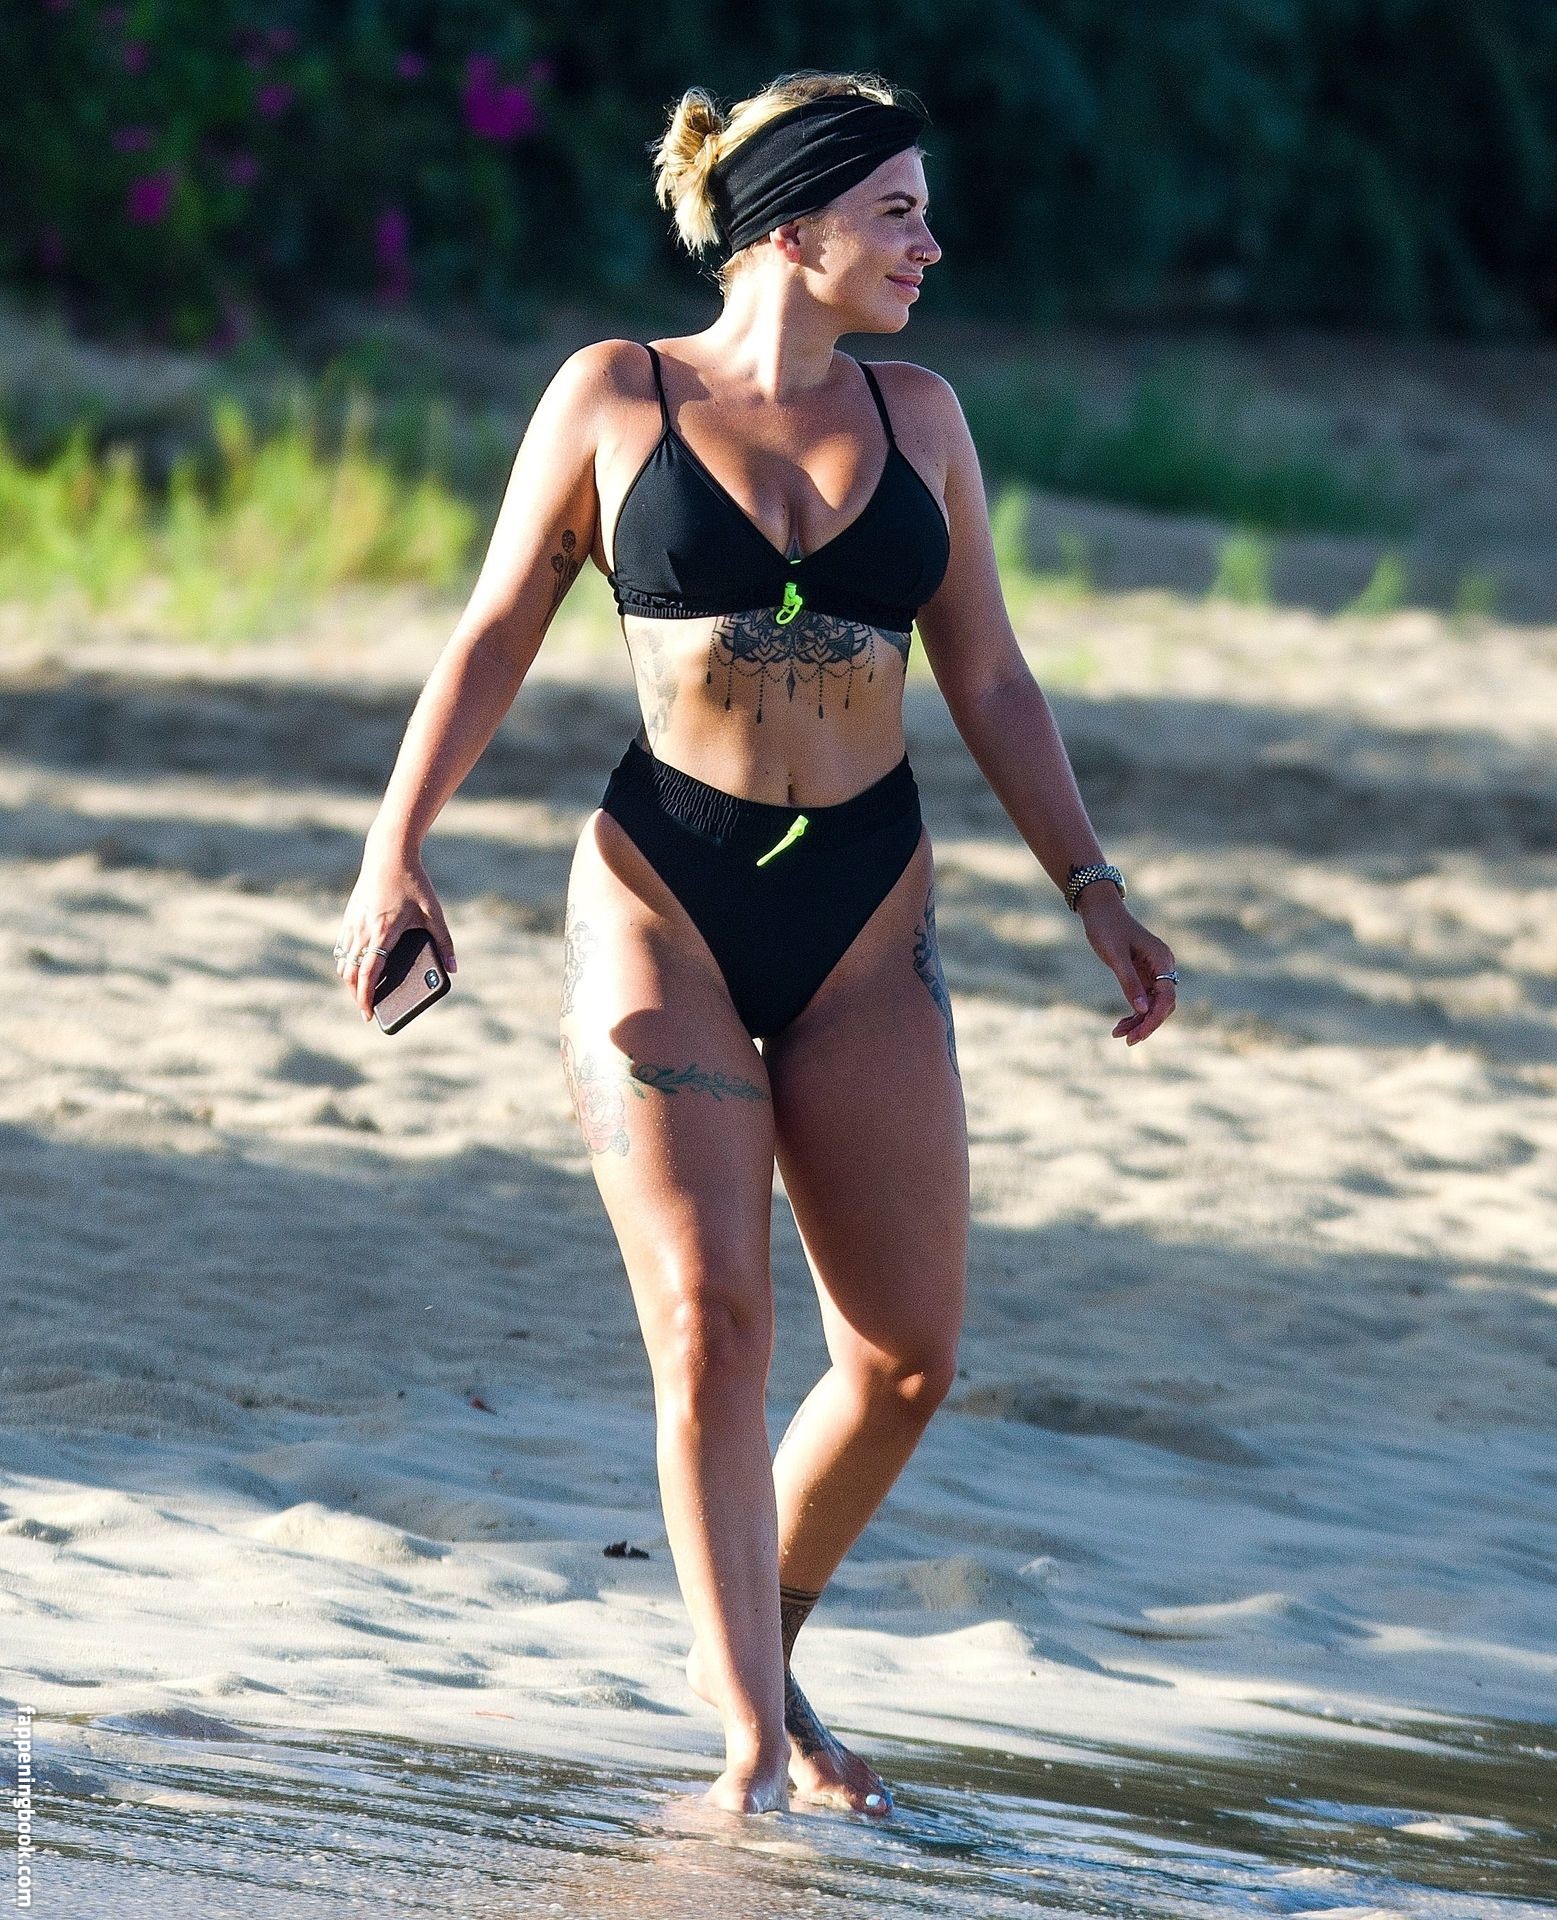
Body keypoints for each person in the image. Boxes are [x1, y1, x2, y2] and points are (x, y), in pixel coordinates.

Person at [332, 68, 1179, 1819]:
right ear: (790, 228)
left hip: (866, 912)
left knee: (905, 1358)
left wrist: (1091, 888)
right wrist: (392, 848)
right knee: (711, 1321)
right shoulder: (613, 396)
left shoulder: (920, 415)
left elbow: (989, 675)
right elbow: (493, 630)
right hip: (664, 891)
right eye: (896, 214)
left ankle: (762, 1651)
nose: (928, 245)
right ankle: (742, 1747)